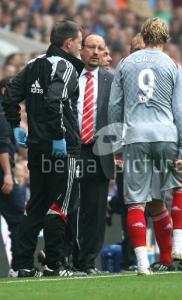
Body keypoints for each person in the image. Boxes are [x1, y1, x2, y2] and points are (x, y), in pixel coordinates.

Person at [3, 20, 86, 278]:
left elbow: (9, 96)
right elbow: (55, 101)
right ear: (69, 43)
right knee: (60, 204)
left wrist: (17, 125)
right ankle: (55, 265)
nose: (81, 50)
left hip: (37, 149)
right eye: (80, 44)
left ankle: (23, 265)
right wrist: (60, 136)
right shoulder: (66, 66)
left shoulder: (33, 63)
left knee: (36, 206)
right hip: (62, 148)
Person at [109, 18, 182, 275]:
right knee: (179, 187)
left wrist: (116, 144)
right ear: (166, 39)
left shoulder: (125, 64)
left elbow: (114, 107)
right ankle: (178, 245)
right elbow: (181, 110)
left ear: (143, 36)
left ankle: (143, 264)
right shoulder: (174, 65)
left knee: (135, 202)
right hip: (166, 133)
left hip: (135, 137)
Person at [72, 34, 114, 275]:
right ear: (81, 50)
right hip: (72, 150)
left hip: (100, 153)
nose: (96, 52)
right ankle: (67, 258)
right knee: (70, 207)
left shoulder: (111, 80)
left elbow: (118, 117)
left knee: (96, 211)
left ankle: (87, 262)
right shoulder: (69, 77)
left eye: (101, 48)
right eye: (91, 47)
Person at [0, 78, 26, 276]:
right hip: (3, 175)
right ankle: (18, 266)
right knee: (18, 217)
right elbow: (1, 146)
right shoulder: (2, 112)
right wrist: (8, 174)